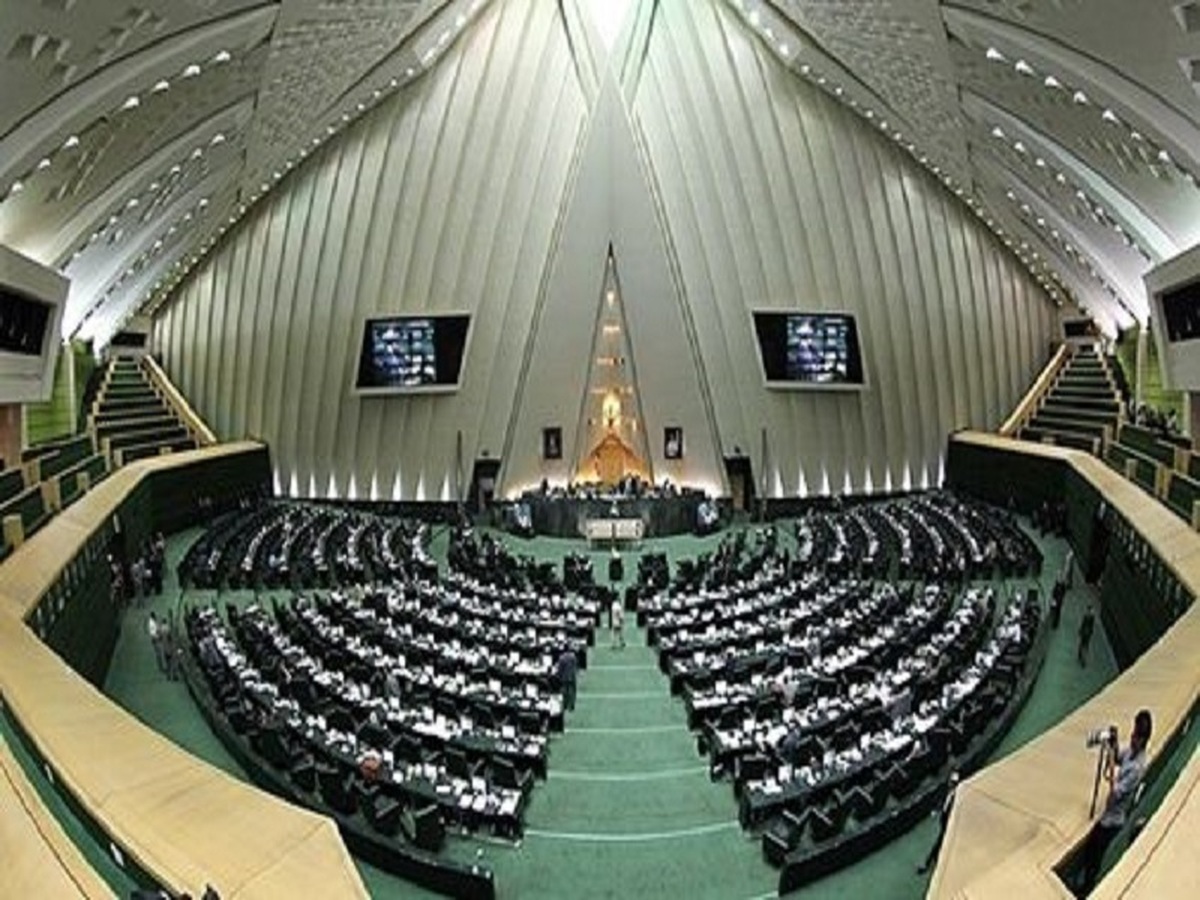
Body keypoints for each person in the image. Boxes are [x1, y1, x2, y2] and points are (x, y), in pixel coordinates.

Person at [1077, 710, 1152, 895]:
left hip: (1114, 820)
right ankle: (1084, 884)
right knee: (1090, 850)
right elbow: (1118, 756)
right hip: (1107, 815)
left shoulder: (1137, 768)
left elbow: (1113, 795)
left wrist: (1110, 764)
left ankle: (1087, 890)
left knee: (1095, 856)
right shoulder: (1131, 751)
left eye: (1136, 736)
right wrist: (1114, 744)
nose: (1132, 738)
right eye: (1133, 733)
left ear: (1143, 740)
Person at [917, 770, 960, 875]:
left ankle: (930, 864)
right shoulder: (947, 791)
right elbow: (943, 802)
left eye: (953, 782)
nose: (951, 784)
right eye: (950, 781)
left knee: (940, 843)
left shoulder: (957, 796)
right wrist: (936, 810)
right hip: (944, 820)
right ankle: (934, 862)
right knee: (940, 843)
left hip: (950, 823)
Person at [556, 647, 578, 713]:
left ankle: (565, 705)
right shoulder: (573, 656)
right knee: (572, 691)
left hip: (564, 677)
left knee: (564, 692)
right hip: (572, 676)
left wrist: (559, 676)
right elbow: (575, 666)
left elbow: (560, 669)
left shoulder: (561, 658)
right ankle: (571, 705)